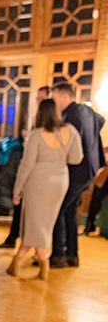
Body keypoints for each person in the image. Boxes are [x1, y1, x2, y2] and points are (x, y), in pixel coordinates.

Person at [8, 99, 83, 280]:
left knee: (34, 222)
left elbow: (26, 166)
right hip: (60, 181)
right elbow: (76, 159)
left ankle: (41, 263)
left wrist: (17, 189)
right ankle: (21, 261)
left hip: (38, 182)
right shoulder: (71, 131)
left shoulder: (36, 135)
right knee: (45, 223)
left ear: (40, 114)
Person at [50, 82, 106, 267]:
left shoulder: (70, 116)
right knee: (69, 212)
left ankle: (58, 255)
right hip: (89, 169)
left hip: (76, 170)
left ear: (65, 96)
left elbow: (66, 147)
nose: (53, 101)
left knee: (57, 210)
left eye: (54, 97)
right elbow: (101, 121)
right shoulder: (86, 110)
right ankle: (72, 255)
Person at [0, 86, 52, 250]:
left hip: (40, 177)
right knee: (21, 209)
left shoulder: (51, 126)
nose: (37, 102)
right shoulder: (36, 120)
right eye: (37, 98)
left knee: (36, 216)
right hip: (31, 173)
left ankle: (36, 252)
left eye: (41, 99)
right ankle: (14, 239)